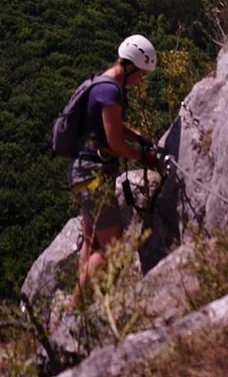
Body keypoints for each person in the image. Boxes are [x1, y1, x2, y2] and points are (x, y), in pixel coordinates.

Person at [68, 34, 159, 303]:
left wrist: (136, 134)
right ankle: (75, 312)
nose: (141, 80)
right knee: (113, 244)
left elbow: (109, 126)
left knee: (92, 241)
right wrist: (143, 157)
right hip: (92, 175)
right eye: (141, 75)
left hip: (82, 171)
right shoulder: (111, 91)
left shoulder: (101, 82)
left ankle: (81, 307)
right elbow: (114, 142)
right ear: (130, 66)